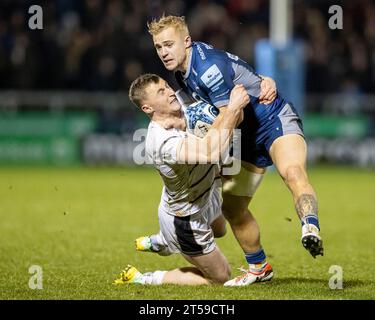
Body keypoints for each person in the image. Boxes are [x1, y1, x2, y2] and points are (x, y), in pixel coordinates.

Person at [147, 15, 323, 286]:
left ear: (187, 41)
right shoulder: (182, 73)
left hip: (271, 119)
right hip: (243, 139)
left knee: (292, 172)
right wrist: (261, 78)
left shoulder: (206, 69)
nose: (164, 52)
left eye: (169, 44)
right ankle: (259, 267)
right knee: (232, 207)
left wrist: (207, 142)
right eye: (159, 47)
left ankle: (310, 226)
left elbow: (234, 114)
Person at [114, 73, 257, 285]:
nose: (170, 92)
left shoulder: (178, 105)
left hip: (205, 193)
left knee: (220, 229)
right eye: (161, 92)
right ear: (148, 108)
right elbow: (210, 152)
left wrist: (264, 82)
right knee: (220, 277)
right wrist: (233, 109)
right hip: (185, 217)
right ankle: (145, 278)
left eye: (166, 86)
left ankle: (162, 240)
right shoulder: (162, 142)